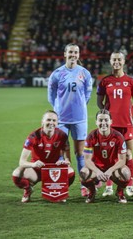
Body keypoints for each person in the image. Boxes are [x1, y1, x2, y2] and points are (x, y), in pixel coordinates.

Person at [47, 43, 92, 197]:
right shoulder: (57, 74)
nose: (73, 54)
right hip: (62, 120)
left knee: (80, 153)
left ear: (79, 55)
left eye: (76, 52)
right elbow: (51, 95)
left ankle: (84, 184)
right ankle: (60, 186)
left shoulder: (85, 73)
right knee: (60, 154)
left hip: (80, 118)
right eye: (70, 52)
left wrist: (79, 106)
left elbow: (87, 94)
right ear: (65, 54)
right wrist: (58, 108)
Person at [97, 51, 133, 198]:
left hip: (127, 124)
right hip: (111, 125)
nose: (116, 62)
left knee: (128, 155)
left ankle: (129, 186)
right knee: (111, 156)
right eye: (114, 59)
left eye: (119, 60)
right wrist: (108, 115)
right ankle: (109, 186)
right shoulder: (104, 81)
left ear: (123, 62)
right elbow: (99, 102)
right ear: (110, 61)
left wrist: (128, 112)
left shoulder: (131, 81)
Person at [12, 110, 75, 203]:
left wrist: (64, 161)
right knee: (17, 173)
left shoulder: (62, 135)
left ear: (57, 123)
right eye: (48, 120)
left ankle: (59, 192)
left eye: (54, 120)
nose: (51, 123)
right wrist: (34, 165)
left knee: (71, 171)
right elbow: (22, 161)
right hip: (36, 170)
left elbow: (68, 160)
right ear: (42, 122)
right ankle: (28, 189)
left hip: (53, 170)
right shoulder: (33, 136)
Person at [80, 109, 131, 204]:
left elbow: (122, 160)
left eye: (106, 120)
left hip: (113, 169)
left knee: (126, 173)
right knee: (83, 174)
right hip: (97, 169)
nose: (103, 123)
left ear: (111, 121)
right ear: (96, 122)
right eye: (100, 120)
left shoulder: (118, 137)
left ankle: (120, 192)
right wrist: (98, 171)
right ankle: (92, 191)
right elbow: (87, 160)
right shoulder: (91, 136)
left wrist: (110, 170)